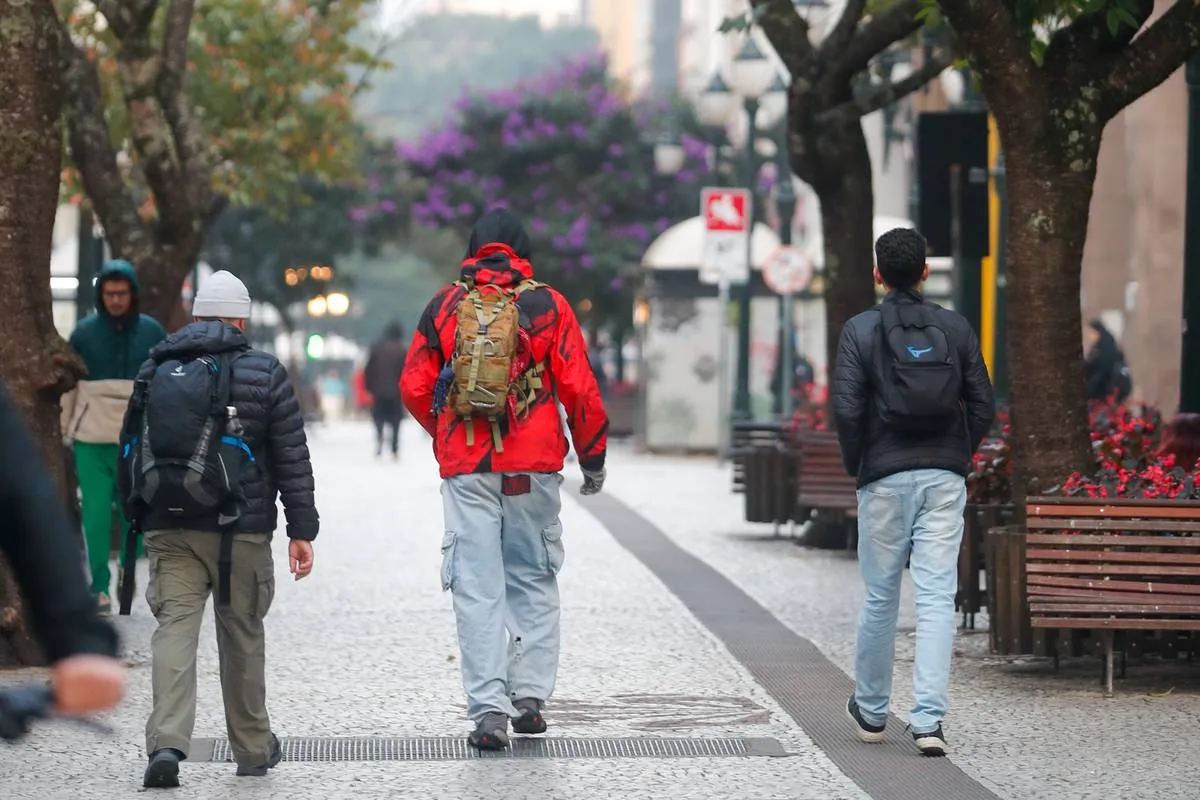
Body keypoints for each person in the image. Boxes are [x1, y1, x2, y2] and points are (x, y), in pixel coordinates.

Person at [400, 208, 608, 751]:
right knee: (532, 578)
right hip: (531, 467)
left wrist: (447, 433)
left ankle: (488, 710)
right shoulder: (548, 305)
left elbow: (414, 386)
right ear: (522, 250)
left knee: (477, 586)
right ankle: (531, 699)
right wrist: (593, 458)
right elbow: (579, 387)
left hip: (468, 468)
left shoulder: (446, 305)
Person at [117, 271, 318, 788]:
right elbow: (291, 456)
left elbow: (129, 448)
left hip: (169, 524)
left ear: (195, 314)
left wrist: (134, 514)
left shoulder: (154, 367)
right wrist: (302, 528)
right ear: (240, 318)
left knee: (174, 632)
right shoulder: (263, 370)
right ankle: (252, 748)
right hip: (239, 530)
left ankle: (166, 743)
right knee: (242, 633)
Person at [832, 227, 994, 757]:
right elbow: (984, 403)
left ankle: (873, 711)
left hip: (883, 476)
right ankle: (928, 722)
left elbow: (849, 410)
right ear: (926, 271)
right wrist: (956, 454)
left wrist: (861, 465)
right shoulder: (955, 328)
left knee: (881, 596)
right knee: (935, 597)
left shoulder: (860, 330)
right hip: (944, 476)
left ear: (878, 273)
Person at [0, 380, 126, 719]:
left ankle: (110, 581)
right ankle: (102, 586)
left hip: (110, 437)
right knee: (102, 517)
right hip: (95, 437)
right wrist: (79, 641)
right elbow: (22, 498)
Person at [63, 259, 166, 614]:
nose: (116, 300)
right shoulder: (84, 334)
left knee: (133, 511)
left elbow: (166, 383)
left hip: (136, 436)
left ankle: (125, 569)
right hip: (91, 437)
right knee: (93, 514)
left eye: (122, 293)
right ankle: (98, 588)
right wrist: (66, 429)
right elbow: (69, 386)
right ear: (100, 294)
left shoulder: (153, 333)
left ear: (132, 294)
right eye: (109, 293)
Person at [364, 321, 408, 459]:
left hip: (379, 391)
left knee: (378, 417)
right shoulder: (402, 350)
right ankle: (394, 448)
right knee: (396, 421)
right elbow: (406, 371)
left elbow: (368, 370)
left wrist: (370, 387)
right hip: (396, 392)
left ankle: (380, 438)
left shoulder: (376, 349)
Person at [1084, 319, 1132, 403]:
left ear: (1097, 332)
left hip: (1111, 387)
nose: (1089, 336)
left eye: (1091, 333)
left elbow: (1103, 369)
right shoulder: (1099, 347)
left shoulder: (1105, 347)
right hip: (1108, 386)